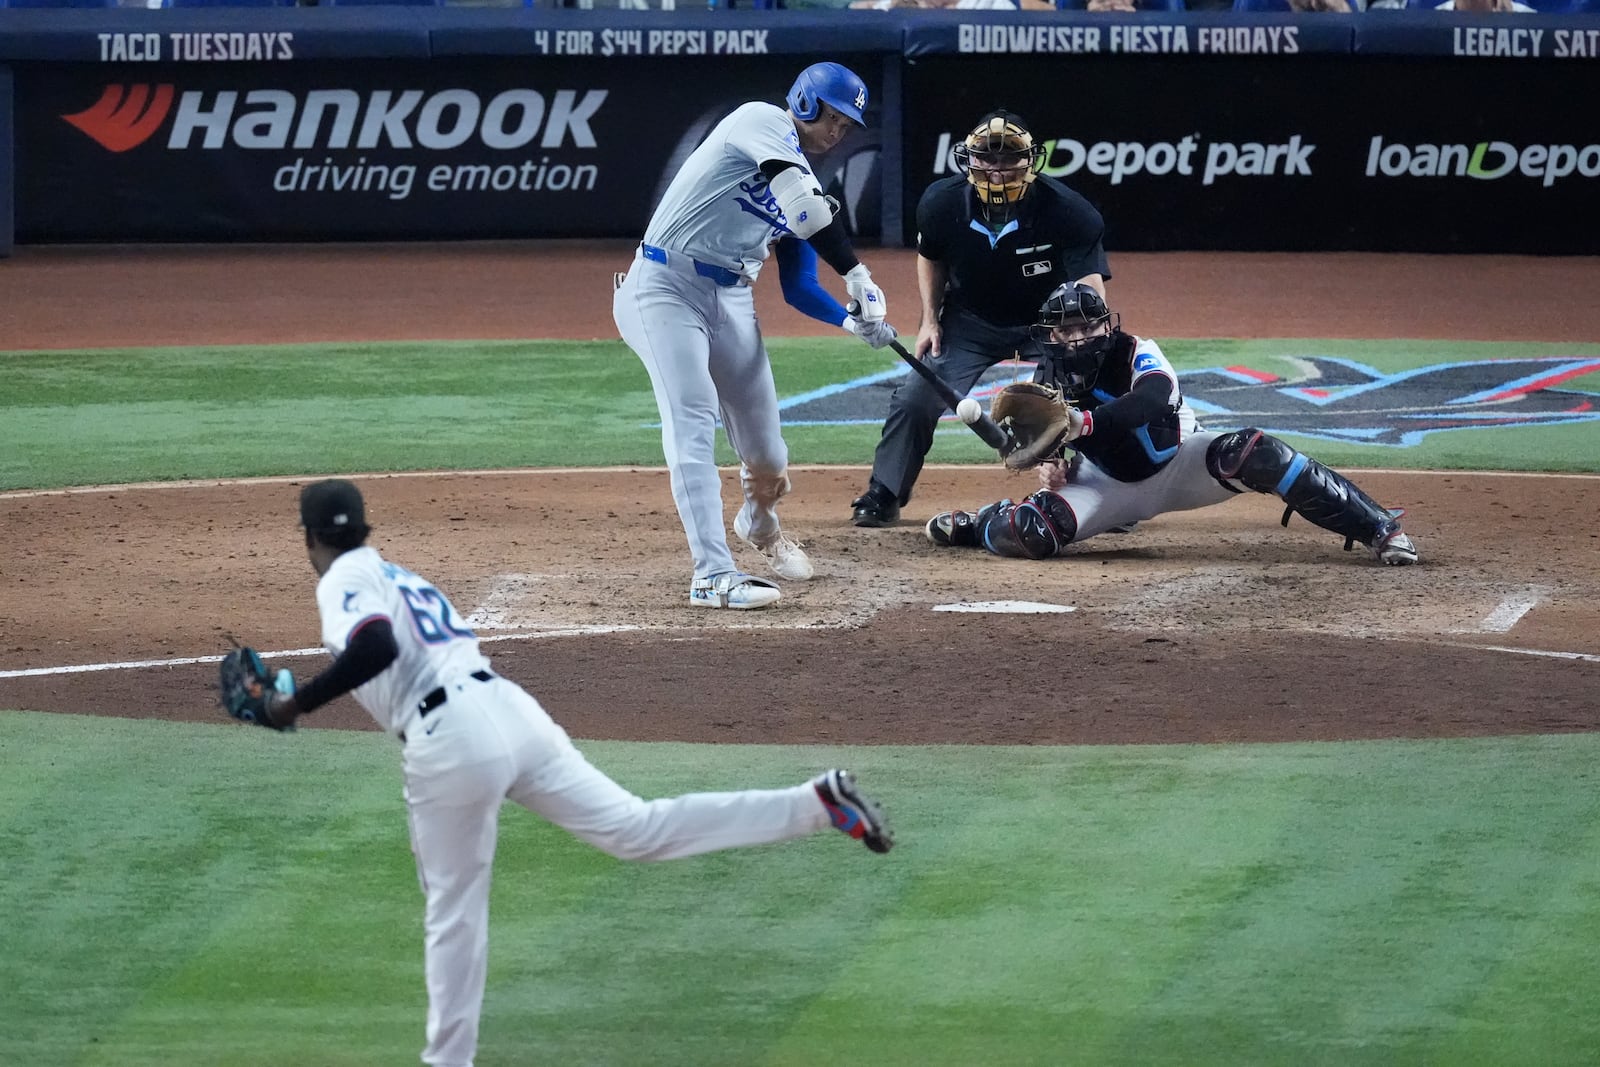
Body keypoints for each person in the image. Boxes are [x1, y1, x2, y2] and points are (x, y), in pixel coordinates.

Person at [256, 479, 895, 1067]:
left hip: (450, 739)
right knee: (636, 828)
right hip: (510, 711)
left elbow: (374, 646)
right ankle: (817, 803)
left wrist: (292, 704)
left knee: (453, 911)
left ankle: (446, 1062)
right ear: (364, 529)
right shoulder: (398, 576)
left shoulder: (340, 579)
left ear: (310, 538)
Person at [614, 62, 898, 611]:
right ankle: (711, 573)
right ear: (808, 104)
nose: (838, 134)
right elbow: (805, 207)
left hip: (731, 300)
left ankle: (761, 525)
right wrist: (858, 274)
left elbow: (798, 285)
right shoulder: (762, 121)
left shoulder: (802, 181)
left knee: (767, 455)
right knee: (693, 417)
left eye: (848, 126)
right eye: (834, 119)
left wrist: (851, 322)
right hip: (664, 286)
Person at [924, 284, 1421, 566]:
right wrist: (1052, 466)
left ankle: (1380, 528)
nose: (1077, 338)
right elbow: (1048, 441)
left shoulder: (1138, 350)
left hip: (1183, 465)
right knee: (1030, 532)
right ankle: (981, 524)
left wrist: (1082, 423)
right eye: (1066, 330)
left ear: (1106, 327)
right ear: (1051, 335)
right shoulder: (1045, 376)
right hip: (1107, 487)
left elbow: (1150, 401)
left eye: (1087, 327)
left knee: (1258, 452)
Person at [850, 109, 1109, 527]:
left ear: (1030, 160)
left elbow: (1090, 281)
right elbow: (929, 258)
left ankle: (1099, 492)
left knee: (1079, 395)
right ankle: (886, 491)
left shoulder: (1068, 212)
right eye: (986, 158)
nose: (997, 169)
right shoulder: (940, 202)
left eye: (1009, 158)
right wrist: (929, 320)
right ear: (968, 160)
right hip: (969, 320)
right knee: (916, 397)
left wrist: (1084, 342)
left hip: (1048, 324)